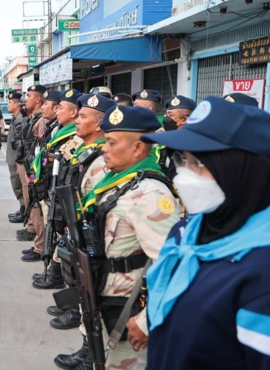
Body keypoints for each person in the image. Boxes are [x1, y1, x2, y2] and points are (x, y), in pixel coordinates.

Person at [142, 97, 270, 370]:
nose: (183, 176)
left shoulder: (261, 273)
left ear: (242, 169)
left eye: (198, 163)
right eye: (182, 160)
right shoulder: (186, 230)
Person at [55, 104, 180, 370]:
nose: (104, 148)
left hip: (128, 315)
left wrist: (146, 321)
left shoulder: (150, 195)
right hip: (105, 303)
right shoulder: (119, 182)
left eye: (111, 142)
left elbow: (174, 267)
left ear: (138, 148)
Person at [33, 93, 112, 292]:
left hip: (87, 230)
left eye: (83, 117)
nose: (77, 121)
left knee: (82, 270)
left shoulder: (100, 161)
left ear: (99, 124)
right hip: (72, 221)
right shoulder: (84, 151)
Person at [24, 89, 82, 263]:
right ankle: (52, 266)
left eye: (61, 108)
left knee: (59, 233)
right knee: (52, 228)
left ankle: (55, 269)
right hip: (50, 185)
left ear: (73, 112)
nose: (57, 111)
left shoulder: (75, 135)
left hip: (62, 190)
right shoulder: (58, 128)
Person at [15, 85, 46, 242]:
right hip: (25, 163)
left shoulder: (42, 120)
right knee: (28, 198)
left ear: (38, 99)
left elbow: (41, 146)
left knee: (33, 200)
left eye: (29, 96)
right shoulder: (33, 117)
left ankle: (36, 232)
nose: (25, 99)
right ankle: (31, 227)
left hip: (33, 166)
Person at [6, 93, 25, 223]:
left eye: (10, 102)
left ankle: (24, 210)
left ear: (17, 104)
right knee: (16, 184)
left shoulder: (19, 119)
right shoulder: (16, 117)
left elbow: (21, 142)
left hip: (16, 160)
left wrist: (19, 161)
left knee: (19, 185)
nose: (8, 105)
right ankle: (22, 208)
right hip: (13, 158)